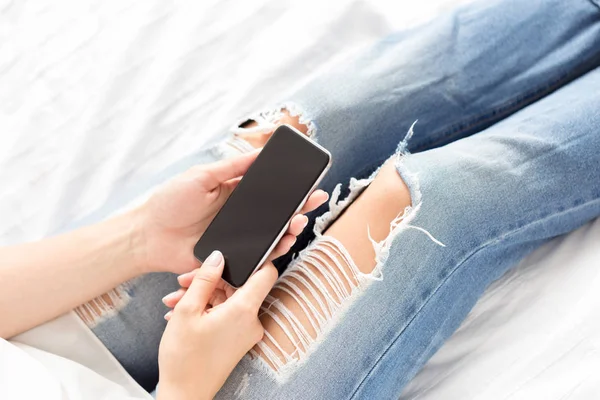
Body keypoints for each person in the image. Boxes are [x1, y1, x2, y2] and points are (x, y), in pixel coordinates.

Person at [2, 0, 600, 398]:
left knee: (310, 126)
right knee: (426, 202)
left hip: (42, 330)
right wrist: (185, 386)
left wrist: (138, 239)